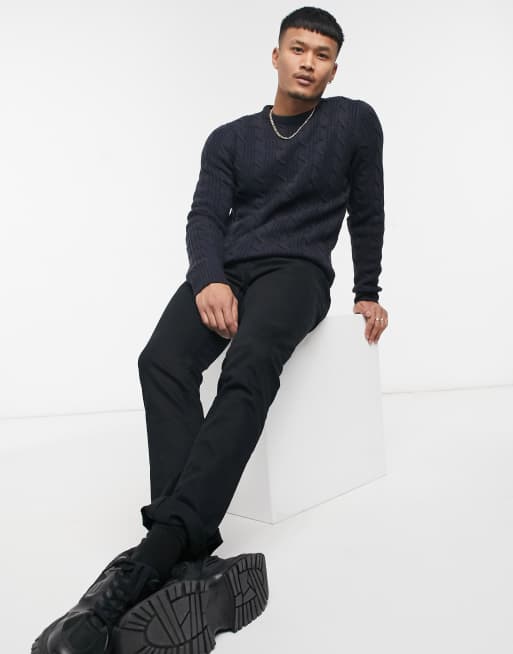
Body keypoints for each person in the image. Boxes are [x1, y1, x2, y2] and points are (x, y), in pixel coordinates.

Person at [32, 6, 389, 654]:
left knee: (248, 364)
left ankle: (152, 555)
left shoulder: (352, 122)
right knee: (161, 361)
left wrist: (368, 292)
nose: (308, 62)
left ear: (334, 68)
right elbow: (204, 217)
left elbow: (367, 210)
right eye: (298, 48)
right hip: (228, 271)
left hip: (297, 273)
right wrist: (209, 279)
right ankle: (186, 555)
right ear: (276, 55)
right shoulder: (229, 138)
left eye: (322, 54)